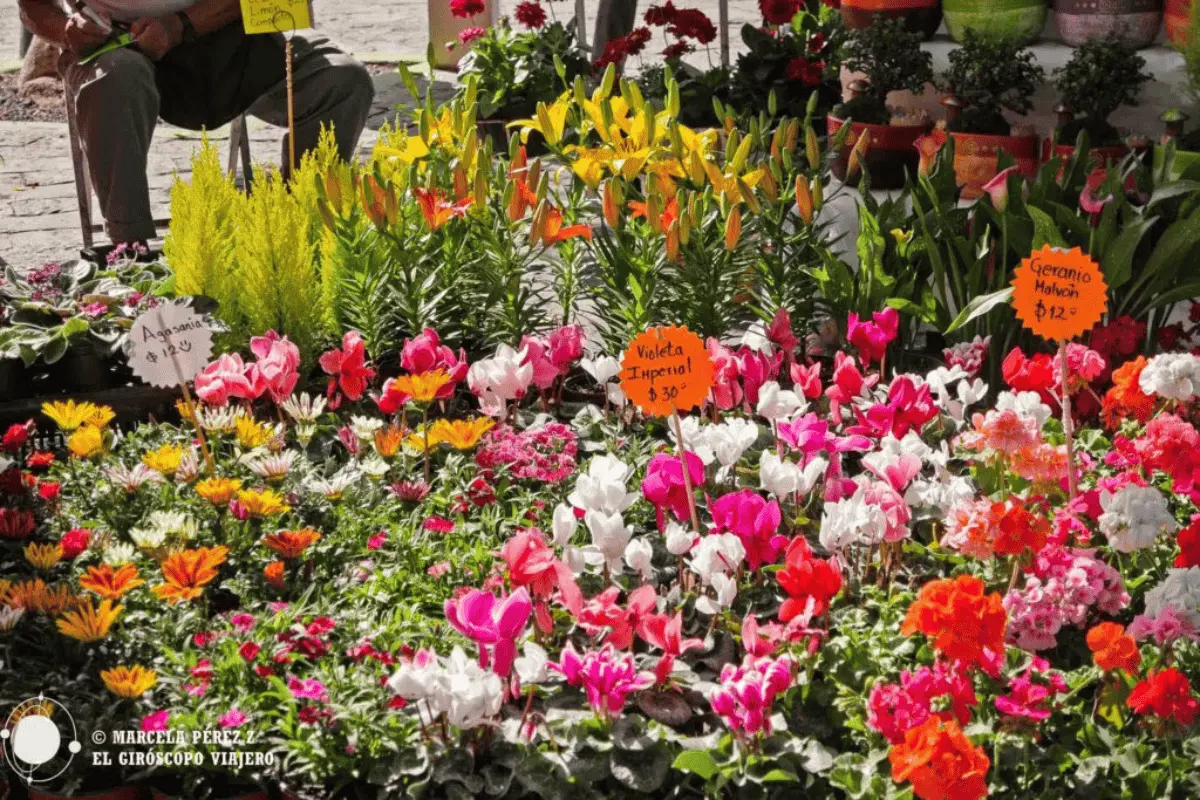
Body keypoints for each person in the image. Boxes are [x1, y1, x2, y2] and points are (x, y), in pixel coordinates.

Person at [17, 0, 375, 247]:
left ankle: (294, 231)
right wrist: (67, 31)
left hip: (232, 40)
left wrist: (179, 26)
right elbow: (31, 7)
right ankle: (130, 251)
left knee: (343, 81)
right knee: (116, 80)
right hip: (115, 44)